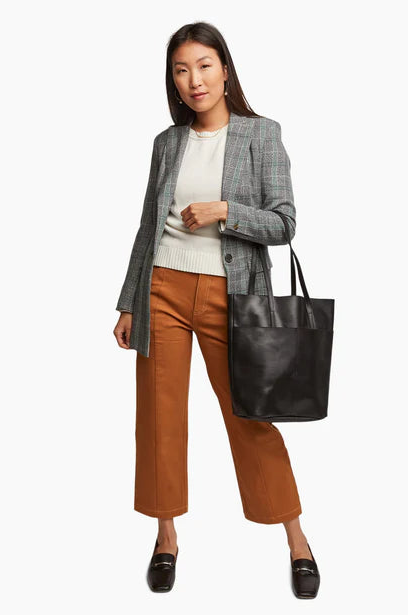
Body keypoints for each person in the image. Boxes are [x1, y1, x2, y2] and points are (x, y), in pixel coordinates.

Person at [113, 21, 320, 598]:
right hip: (162, 290)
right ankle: (166, 537)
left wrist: (226, 210)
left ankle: (297, 540)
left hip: (234, 298)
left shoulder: (261, 134)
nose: (194, 80)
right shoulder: (167, 143)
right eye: (181, 70)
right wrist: (129, 302)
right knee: (158, 418)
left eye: (204, 66)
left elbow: (284, 223)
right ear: (173, 81)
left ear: (225, 70)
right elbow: (148, 227)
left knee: (250, 417)